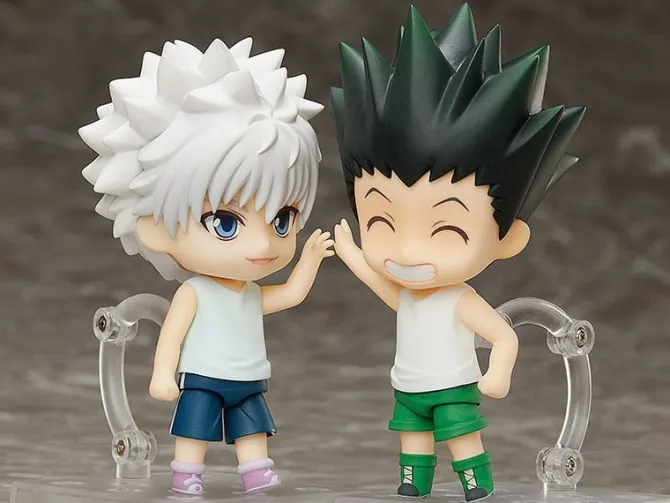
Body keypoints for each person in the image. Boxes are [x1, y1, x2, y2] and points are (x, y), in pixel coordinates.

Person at [330, 4, 585, 501]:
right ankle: (413, 482)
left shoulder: (460, 300)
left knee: (461, 436)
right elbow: (387, 292)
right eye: (381, 221)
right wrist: (354, 255)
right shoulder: (411, 294)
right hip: (407, 385)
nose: (407, 251)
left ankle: (476, 483)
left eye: (445, 229)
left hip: (452, 385)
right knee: (412, 436)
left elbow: (502, 336)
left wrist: (498, 374)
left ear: (507, 238)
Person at [79, 37, 330, 495]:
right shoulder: (194, 292)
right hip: (202, 378)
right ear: (154, 227)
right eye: (226, 223)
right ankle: (186, 474)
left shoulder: (248, 293)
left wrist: (310, 259)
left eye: (282, 220)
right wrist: (162, 374)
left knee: (253, 429)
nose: (263, 244)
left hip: (249, 378)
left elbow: (291, 295)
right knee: (194, 428)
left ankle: (256, 471)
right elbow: (172, 335)